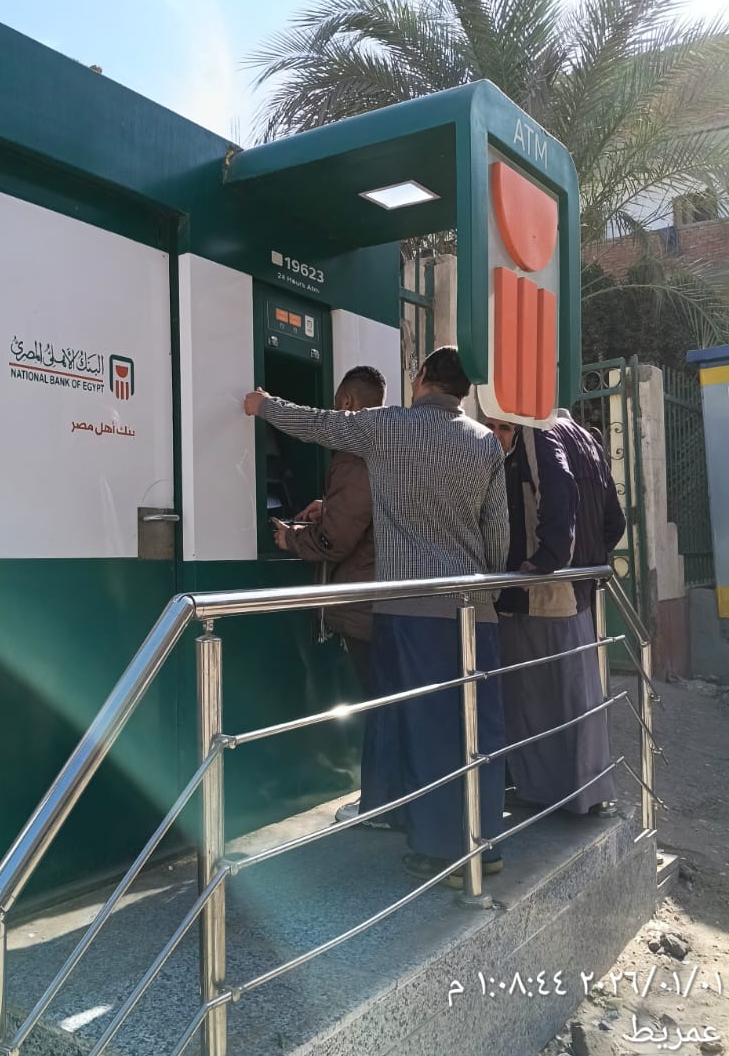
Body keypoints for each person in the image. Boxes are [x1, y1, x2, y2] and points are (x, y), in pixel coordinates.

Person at [245, 347, 509, 888]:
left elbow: (318, 424)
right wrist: (485, 592)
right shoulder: (485, 442)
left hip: (409, 610)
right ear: (464, 390)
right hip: (474, 612)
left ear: (422, 378)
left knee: (423, 728)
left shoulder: (388, 426)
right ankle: (485, 844)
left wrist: (263, 405)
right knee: (473, 727)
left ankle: (441, 852)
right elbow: (498, 535)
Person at [485, 412, 623, 816]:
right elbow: (615, 521)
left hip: (541, 595)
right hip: (577, 592)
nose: (497, 435)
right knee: (575, 697)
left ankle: (550, 795)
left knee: (536, 699)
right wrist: (587, 561)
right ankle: (585, 793)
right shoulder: (586, 439)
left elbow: (558, 487)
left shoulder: (538, 433)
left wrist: (549, 558)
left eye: (503, 427)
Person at [270, 366, 387, 826]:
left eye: (337, 405)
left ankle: (380, 802)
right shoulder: (387, 441)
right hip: (383, 594)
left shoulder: (354, 453)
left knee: (377, 703)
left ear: (348, 404)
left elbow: (335, 540)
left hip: (363, 600)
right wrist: (329, 506)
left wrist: (292, 538)